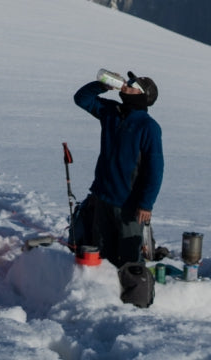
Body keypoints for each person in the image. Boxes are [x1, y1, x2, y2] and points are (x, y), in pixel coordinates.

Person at [73, 70, 164, 308]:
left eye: (133, 86)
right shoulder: (111, 113)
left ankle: (135, 305)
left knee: (130, 258)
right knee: (102, 254)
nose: (127, 86)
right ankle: (104, 301)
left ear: (143, 97)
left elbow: (155, 169)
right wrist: (104, 85)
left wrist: (146, 203)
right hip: (102, 197)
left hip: (130, 205)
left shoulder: (149, 127)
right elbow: (81, 99)